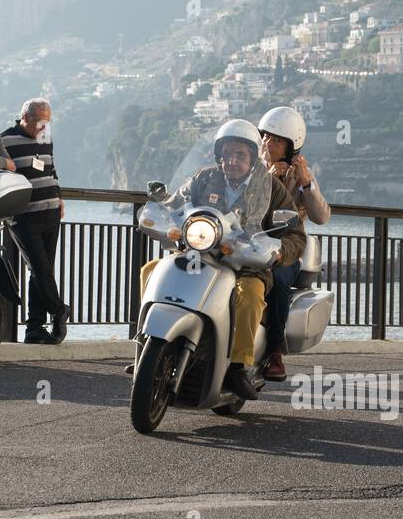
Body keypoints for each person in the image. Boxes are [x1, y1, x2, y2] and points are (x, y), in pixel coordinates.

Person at [138, 119, 305, 400]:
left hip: (245, 263)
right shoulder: (204, 178)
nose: (232, 160)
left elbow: (295, 235)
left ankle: (238, 367)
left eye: (240, 155)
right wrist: (161, 215)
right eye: (227, 154)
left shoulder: (271, 188)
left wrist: (277, 250)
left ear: (252, 158)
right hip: (199, 255)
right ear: (219, 155)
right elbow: (175, 204)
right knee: (151, 271)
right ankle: (146, 346)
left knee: (249, 295)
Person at [257, 106, 331, 381]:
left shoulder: (298, 176)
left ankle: (274, 351)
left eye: (277, 140)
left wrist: (307, 184)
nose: (268, 143)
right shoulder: (248, 168)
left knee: (275, 279)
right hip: (245, 243)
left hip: (284, 248)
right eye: (266, 137)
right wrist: (266, 175)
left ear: (291, 147)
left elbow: (321, 217)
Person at [0, 98, 70, 344]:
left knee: (42, 272)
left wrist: (59, 197)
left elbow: (52, 170)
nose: (43, 127)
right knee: (40, 269)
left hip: (51, 212)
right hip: (24, 217)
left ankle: (34, 329)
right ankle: (60, 310)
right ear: (24, 117)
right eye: (40, 122)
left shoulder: (45, 138)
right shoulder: (4, 140)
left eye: (47, 123)